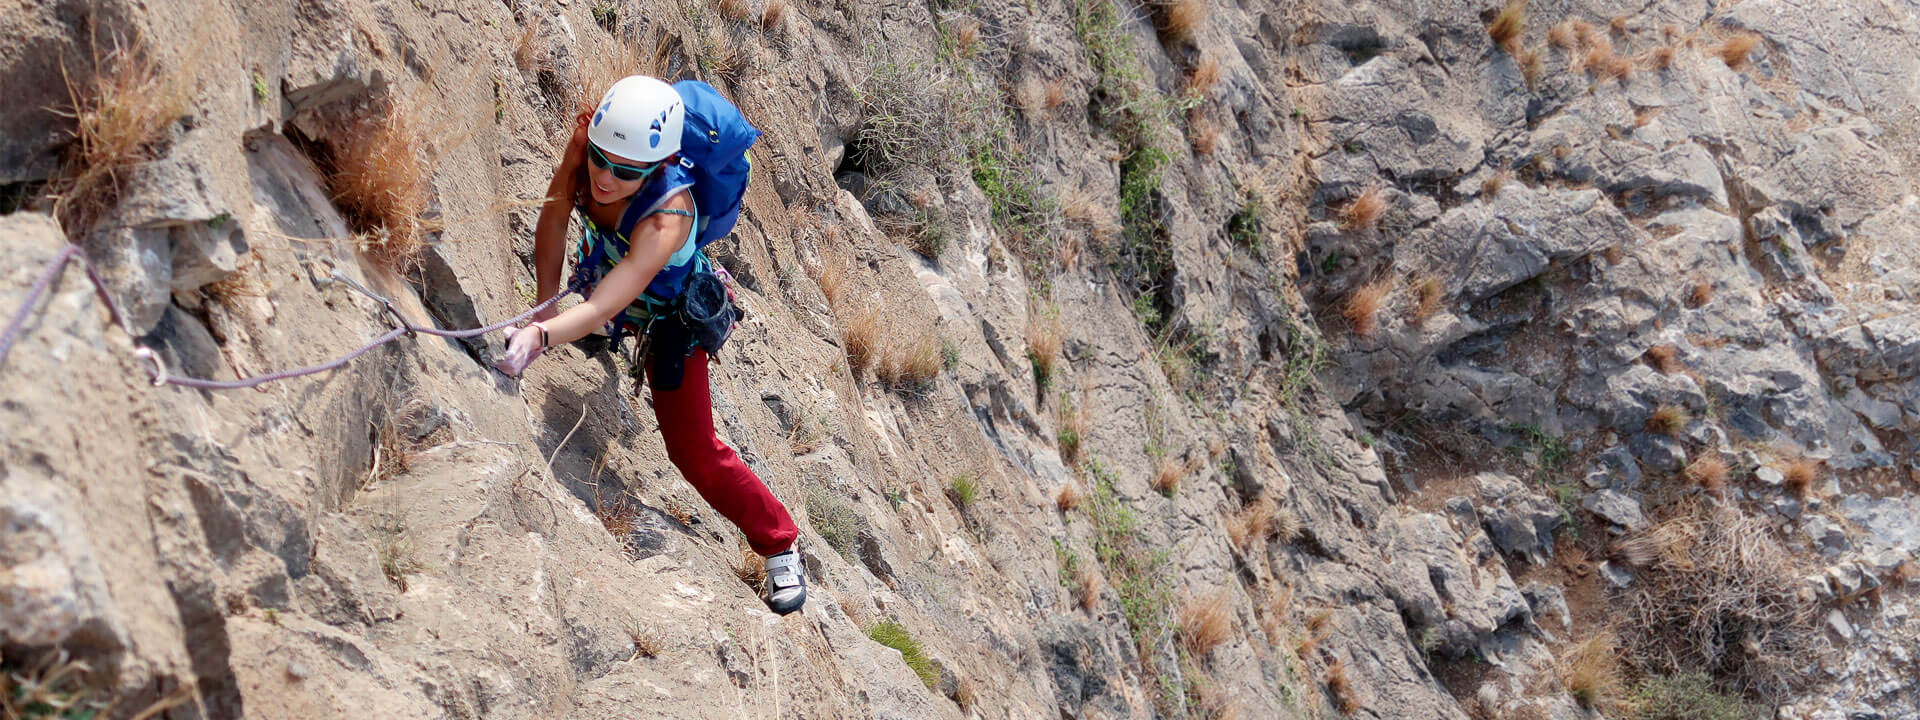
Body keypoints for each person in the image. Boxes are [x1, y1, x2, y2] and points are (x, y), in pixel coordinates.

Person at [496, 75, 805, 615]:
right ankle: (589, 338)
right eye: (599, 160)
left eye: (626, 172)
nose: (606, 177)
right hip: (608, 266)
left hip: (669, 318)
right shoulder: (592, 142)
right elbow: (553, 217)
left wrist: (543, 334)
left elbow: (610, 301)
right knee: (586, 302)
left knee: (693, 452)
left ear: (658, 167)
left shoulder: (670, 214)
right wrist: (544, 304)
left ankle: (780, 542)